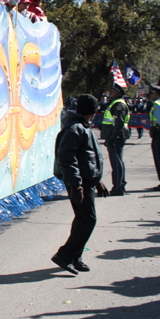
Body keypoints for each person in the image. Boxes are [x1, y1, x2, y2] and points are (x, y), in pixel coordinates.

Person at [52, 94, 108, 275]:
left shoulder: (83, 128)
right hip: (79, 184)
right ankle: (64, 255)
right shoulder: (75, 129)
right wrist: (76, 185)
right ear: (93, 111)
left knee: (82, 219)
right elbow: (67, 159)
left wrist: (97, 181)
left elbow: (88, 159)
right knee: (88, 220)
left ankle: (76, 257)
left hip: (85, 183)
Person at [100, 83, 129, 196]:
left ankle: (118, 187)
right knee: (117, 161)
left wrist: (112, 138)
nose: (110, 92)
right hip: (113, 135)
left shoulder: (118, 105)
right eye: (111, 90)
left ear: (119, 93)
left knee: (116, 162)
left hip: (116, 136)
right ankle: (119, 185)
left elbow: (119, 123)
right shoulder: (113, 103)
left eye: (113, 91)